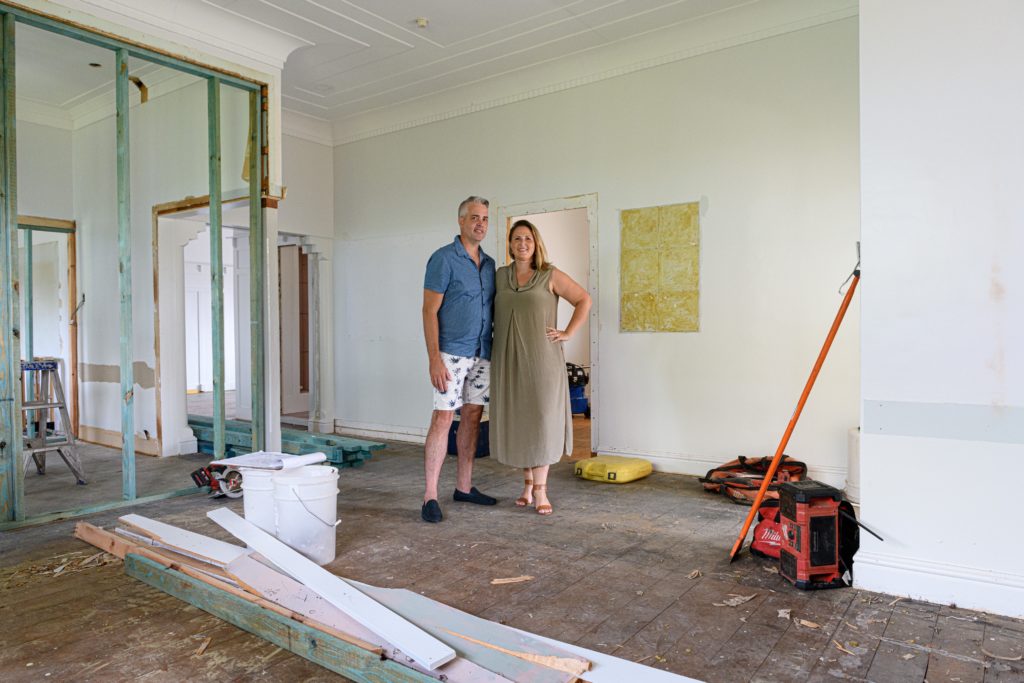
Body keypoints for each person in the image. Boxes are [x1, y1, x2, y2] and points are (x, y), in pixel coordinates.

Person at [491, 219, 592, 515]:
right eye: (517, 239)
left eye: (528, 239)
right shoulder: (500, 276)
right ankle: (526, 485)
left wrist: (568, 332)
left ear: (536, 244)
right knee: (521, 420)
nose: (522, 243)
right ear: (510, 245)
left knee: (542, 420)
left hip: (542, 360)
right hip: (508, 359)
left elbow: (583, 299)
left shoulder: (549, 274)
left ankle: (541, 489)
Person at [420, 196, 498, 523]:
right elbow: (429, 311)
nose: (480, 223)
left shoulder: (490, 265)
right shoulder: (443, 259)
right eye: (474, 217)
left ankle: (464, 487)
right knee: (443, 418)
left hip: (482, 352)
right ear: (461, 221)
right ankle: (430, 496)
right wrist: (434, 359)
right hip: (451, 353)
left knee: (473, 417)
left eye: (485, 218)